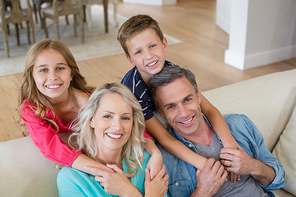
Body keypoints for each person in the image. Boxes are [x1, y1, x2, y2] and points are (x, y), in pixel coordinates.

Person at [16, 38, 162, 177]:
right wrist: (107, 172)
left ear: (71, 73)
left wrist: (155, 152)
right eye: (43, 70)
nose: (53, 76)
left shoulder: (88, 101)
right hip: (83, 165)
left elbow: (129, 122)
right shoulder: (30, 109)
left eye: (60, 68)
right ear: (32, 76)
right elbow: (51, 147)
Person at [118, 14, 239, 179]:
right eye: (138, 52)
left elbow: (209, 109)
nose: (149, 56)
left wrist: (230, 146)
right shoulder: (133, 92)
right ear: (130, 59)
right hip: (140, 128)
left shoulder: (172, 69)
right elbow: (164, 138)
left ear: (164, 44)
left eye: (152, 46)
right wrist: (203, 164)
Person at [149, 65, 286, 197]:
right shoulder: (161, 160)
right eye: (171, 106)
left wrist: (253, 166)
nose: (183, 113)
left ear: (198, 97)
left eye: (187, 100)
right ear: (161, 112)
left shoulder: (239, 124)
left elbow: (278, 181)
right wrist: (203, 192)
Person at [57, 83, 169, 197]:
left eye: (125, 118)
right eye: (107, 116)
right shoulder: (70, 179)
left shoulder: (147, 161)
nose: (118, 127)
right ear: (91, 120)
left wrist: (129, 192)